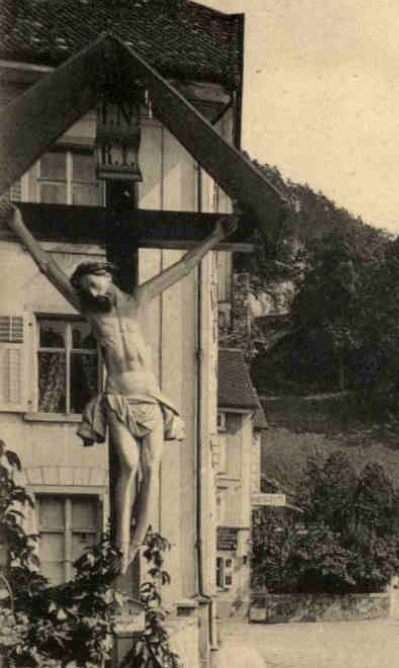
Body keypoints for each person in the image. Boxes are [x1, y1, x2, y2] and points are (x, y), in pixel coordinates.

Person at [10, 205, 236, 572]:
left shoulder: (136, 300)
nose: (93, 293)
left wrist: (215, 237)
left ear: (107, 278)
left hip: (150, 399)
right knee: (128, 466)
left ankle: (134, 545)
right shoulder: (90, 313)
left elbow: (182, 269)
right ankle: (121, 545)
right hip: (118, 397)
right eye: (86, 290)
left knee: (151, 468)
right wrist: (19, 226)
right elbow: (48, 268)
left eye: (94, 286)